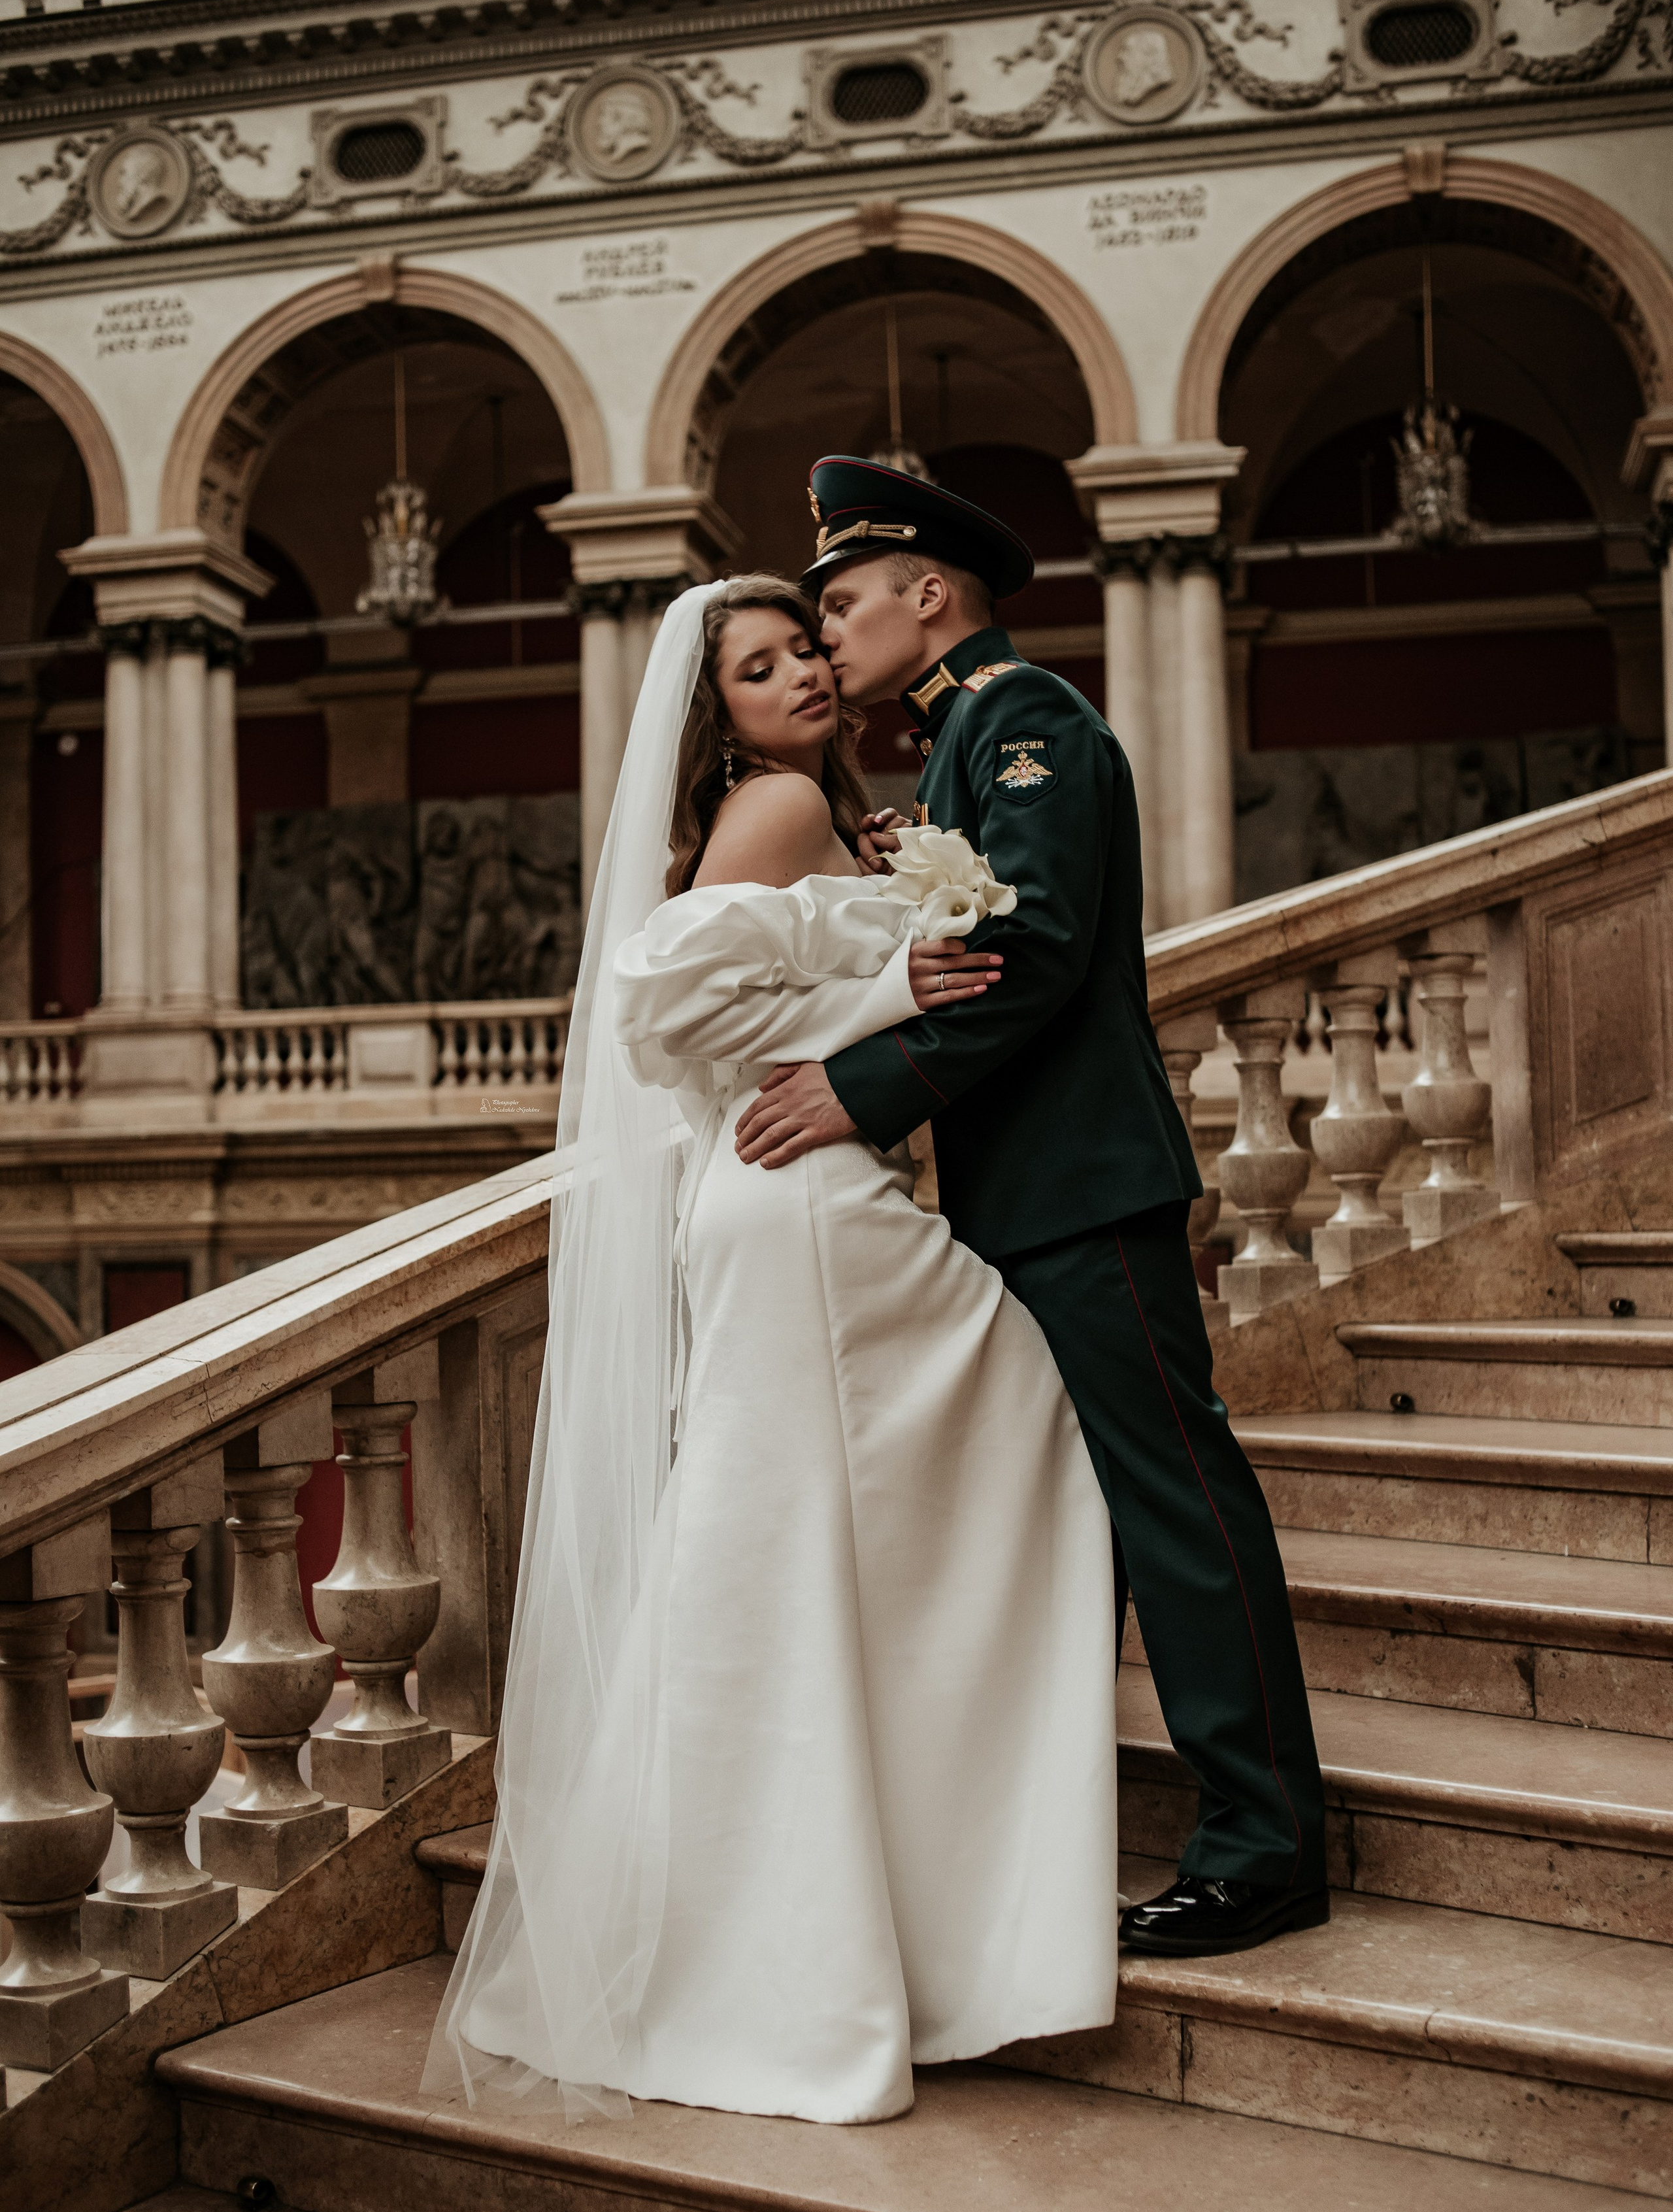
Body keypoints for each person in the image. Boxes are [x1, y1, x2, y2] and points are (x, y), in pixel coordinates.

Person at [424, 573, 1121, 2126]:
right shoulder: (781, 801)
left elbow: (736, 986)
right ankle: (926, 1919)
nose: (801, 672)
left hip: (793, 1200)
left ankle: (855, 1921)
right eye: (758, 665)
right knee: (1024, 1423)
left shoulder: (810, 809)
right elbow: (666, 1014)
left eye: (803, 646)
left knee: (775, 1551)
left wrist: (873, 949)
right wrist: (892, 985)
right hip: (799, 1202)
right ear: (715, 712)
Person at [733, 456, 1330, 1958]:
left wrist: (860, 1090)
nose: (829, 639)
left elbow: (1037, 949)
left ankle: (1262, 1848)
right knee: (1092, 1510)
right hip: (1024, 1191)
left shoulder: (1025, 724)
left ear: (928, 596)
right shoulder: (956, 747)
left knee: (1174, 1507)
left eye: (844, 605)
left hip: (1080, 1188)